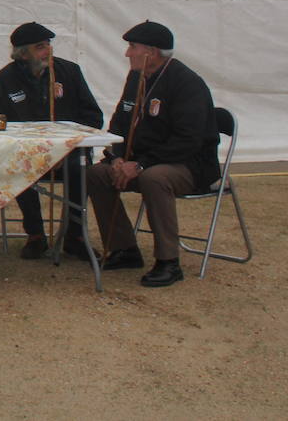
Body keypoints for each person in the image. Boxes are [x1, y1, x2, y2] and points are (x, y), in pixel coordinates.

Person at [87, 21, 219, 288]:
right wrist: (118, 158)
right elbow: (120, 124)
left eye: (132, 47)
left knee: (154, 178)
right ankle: (124, 249)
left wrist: (141, 164)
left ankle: (169, 262)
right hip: (144, 162)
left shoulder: (186, 83)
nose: (127, 54)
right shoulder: (137, 77)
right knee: (97, 174)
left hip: (189, 165)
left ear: (152, 52)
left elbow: (188, 141)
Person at [0, 22, 103, 260]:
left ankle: (75, 235)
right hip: (26, 154)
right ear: (23, 53)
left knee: (79, 168)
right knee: (17, 165)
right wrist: (34, 150)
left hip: (69, 155)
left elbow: (93, 118)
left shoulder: (69, 72)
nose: (48, 50)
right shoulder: (6, 79)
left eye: (49, 44)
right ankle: (35, 234)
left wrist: (63, 148)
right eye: (40, 47)